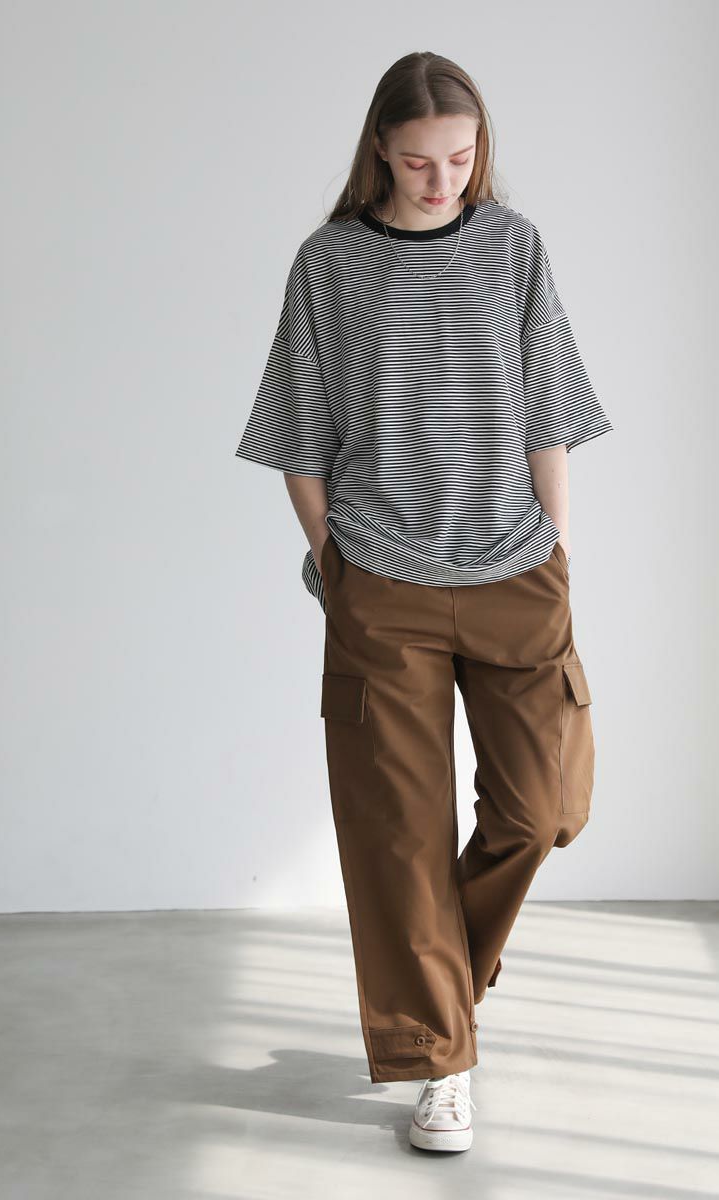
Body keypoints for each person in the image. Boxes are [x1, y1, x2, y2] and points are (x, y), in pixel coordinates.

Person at [235, 51, 613, 1153]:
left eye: (460, 157)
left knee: (542, 809)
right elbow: (298, 427)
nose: (443, 179)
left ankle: (438, 992)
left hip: (514, 569)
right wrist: (331, 557)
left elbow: (547, 410)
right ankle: (440, 1061)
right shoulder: (331, 264)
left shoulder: (513, 247)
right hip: (383, 581)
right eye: (419, 162)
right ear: (379, 153)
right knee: (398, 837)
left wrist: (559, 546)